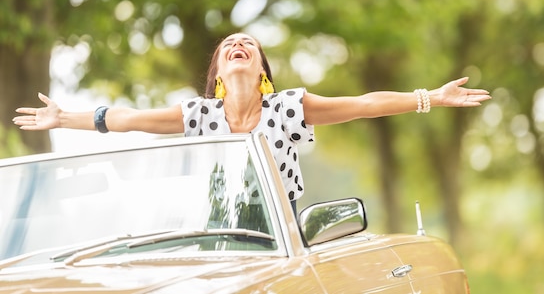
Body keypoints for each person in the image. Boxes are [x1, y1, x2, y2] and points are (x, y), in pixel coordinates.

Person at [13, 32, 491, 210]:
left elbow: (364, 103)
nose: (237, 46)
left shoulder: (287, 108)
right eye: (227, 47)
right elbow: (128, 119)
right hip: (219, 230)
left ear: (261, 69)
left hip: (284, 232)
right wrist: (64, 118)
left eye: (248, 45)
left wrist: (430, 97)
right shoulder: (200, 115)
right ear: (219, 72)